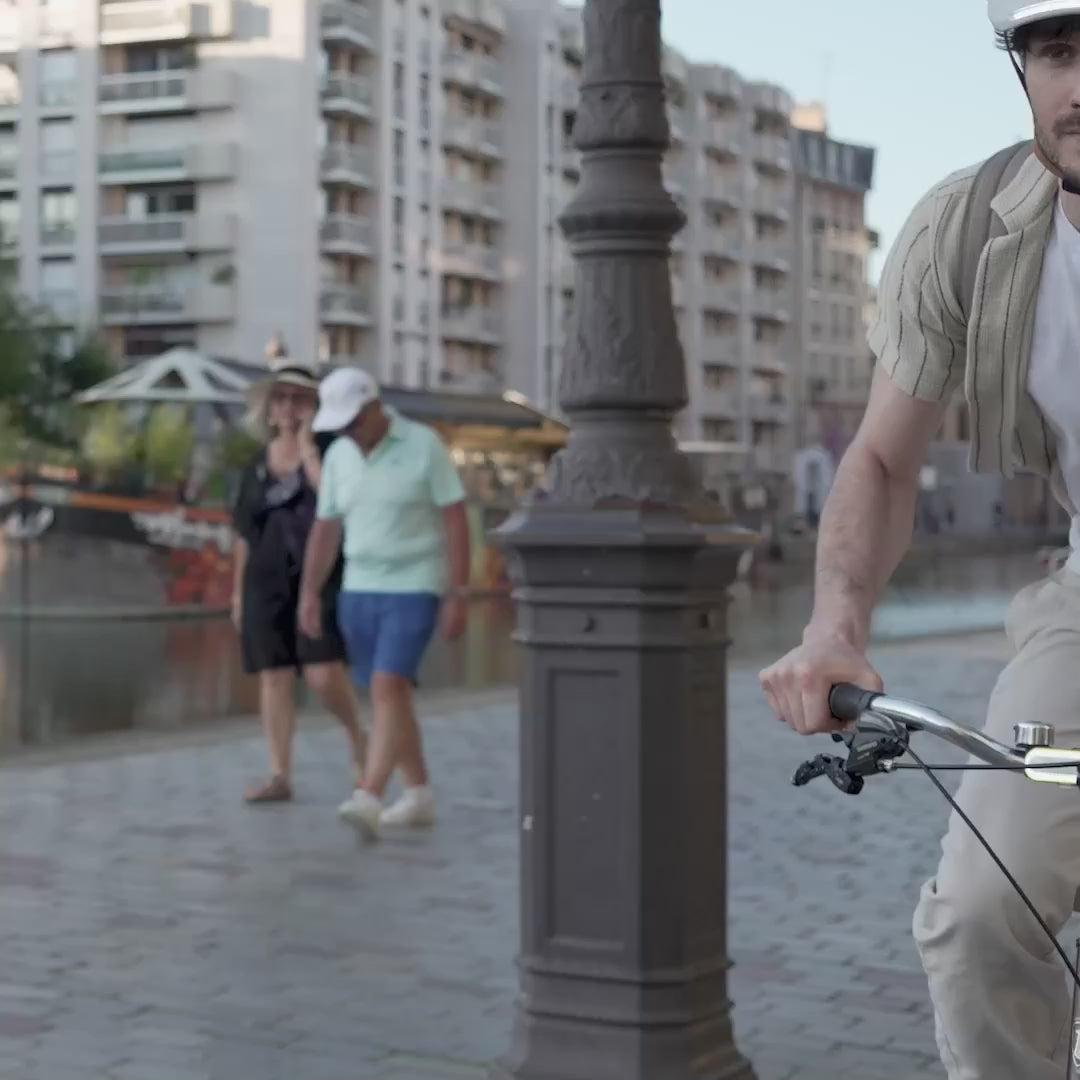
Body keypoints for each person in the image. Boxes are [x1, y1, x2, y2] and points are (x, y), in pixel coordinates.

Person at [760, 5, 1080, 1078]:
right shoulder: (970, 228)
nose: (1079, 83)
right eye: (1058, 53)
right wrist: (834, 626)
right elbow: (885, 461)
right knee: (983, 911)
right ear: (1023, 70)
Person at [298, 366, 469, 840]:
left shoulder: (423, 444)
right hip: (358, 588)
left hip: (414, 585)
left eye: (353, 422)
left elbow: (454, 517)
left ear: (375, 408)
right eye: (339, 427)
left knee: (388, 687)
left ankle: (369, 794)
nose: (348, 433)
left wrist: (458, 591)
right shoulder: (338, 459)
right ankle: (418, 795)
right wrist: (310, 592)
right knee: (387, 696)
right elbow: (326, 527)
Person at [232, 355, 366, 804]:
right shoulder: (255, 464)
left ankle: (358, 737)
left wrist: (308, 444)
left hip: (319, 574)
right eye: (282, 399)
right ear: (270, 409)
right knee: (273, 675)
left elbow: (334, 499)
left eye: (300, 399)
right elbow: (244, 533)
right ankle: (279, 773)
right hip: (264, 579)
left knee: (324, 673)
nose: (289, 408)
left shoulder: (333, 452)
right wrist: (237, 593)